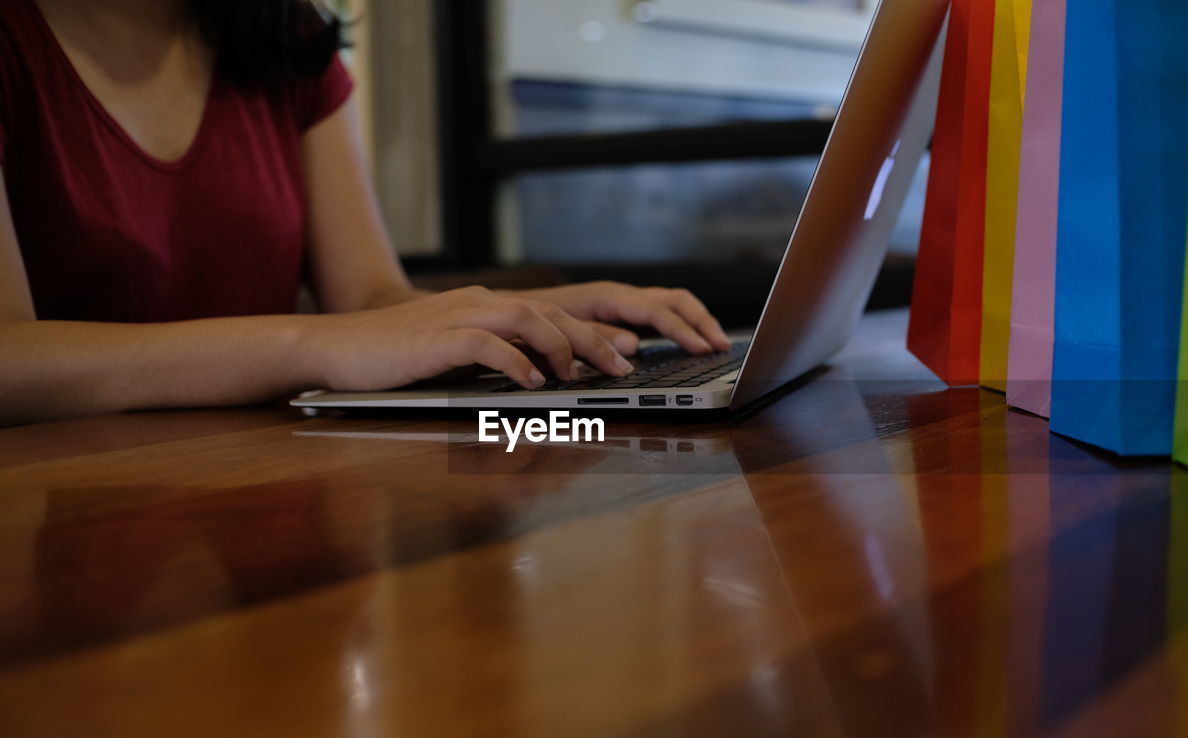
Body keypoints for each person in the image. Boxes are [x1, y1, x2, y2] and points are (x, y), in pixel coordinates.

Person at [0, 0, 732, 426]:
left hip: (263, 485)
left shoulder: (286, 39)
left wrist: (531, 310)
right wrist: (315, 344)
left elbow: (373, 302)